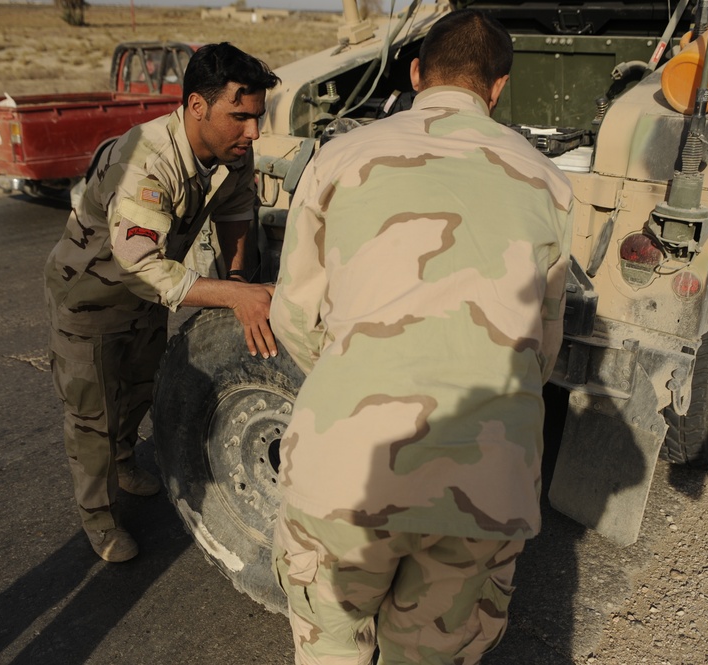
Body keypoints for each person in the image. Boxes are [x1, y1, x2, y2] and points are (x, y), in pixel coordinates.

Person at [268, 9, 574, 664]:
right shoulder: (549, 182)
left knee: (331, 649)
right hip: (484, 482)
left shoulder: (339, 157)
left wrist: (356, 376)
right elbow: (541, 353)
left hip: (344, 469)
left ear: (413, 73)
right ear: (497, 87)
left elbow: (290, 315)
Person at [44, 43, 280, 563]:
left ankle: (124, 460)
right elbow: (139, 264)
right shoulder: (146, 160)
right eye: (240, 116)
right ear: (198, 106)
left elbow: (236, 210)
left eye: (257, 117)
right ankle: (99, 519)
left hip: (152, 296)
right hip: (93, 298)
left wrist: (238, 277)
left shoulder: (232, 150)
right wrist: (234, 295)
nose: (253, 132)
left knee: (139, 389)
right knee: (93, 417)